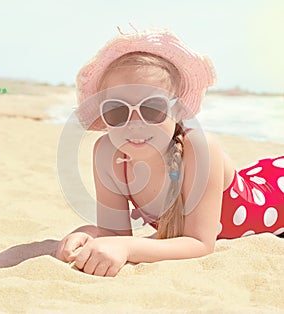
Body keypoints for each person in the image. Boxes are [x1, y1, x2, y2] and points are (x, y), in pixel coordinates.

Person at [56, 28, 284, 277]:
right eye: (117, 111)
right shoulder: (107, 154)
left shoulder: (199, 147)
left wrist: (125, 247)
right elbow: (117, 237)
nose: (135, 122)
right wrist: (90, 234)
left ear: (177, 111)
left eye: (152, 108)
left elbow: (199, 243)